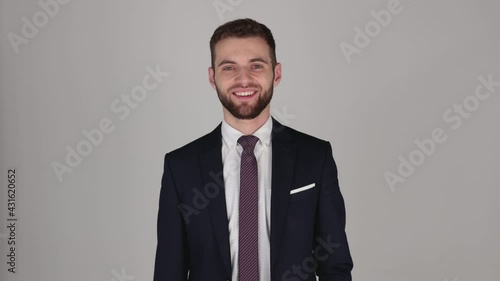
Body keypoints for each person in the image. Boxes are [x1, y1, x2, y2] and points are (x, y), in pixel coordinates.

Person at [153, 18, 353, 281]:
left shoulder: (315, 157)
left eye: (256, 66)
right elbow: (169, 271)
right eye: (229, 68)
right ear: (213, 77)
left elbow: (334, 266)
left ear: (277, 73)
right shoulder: (181, 166)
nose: (243, 79)